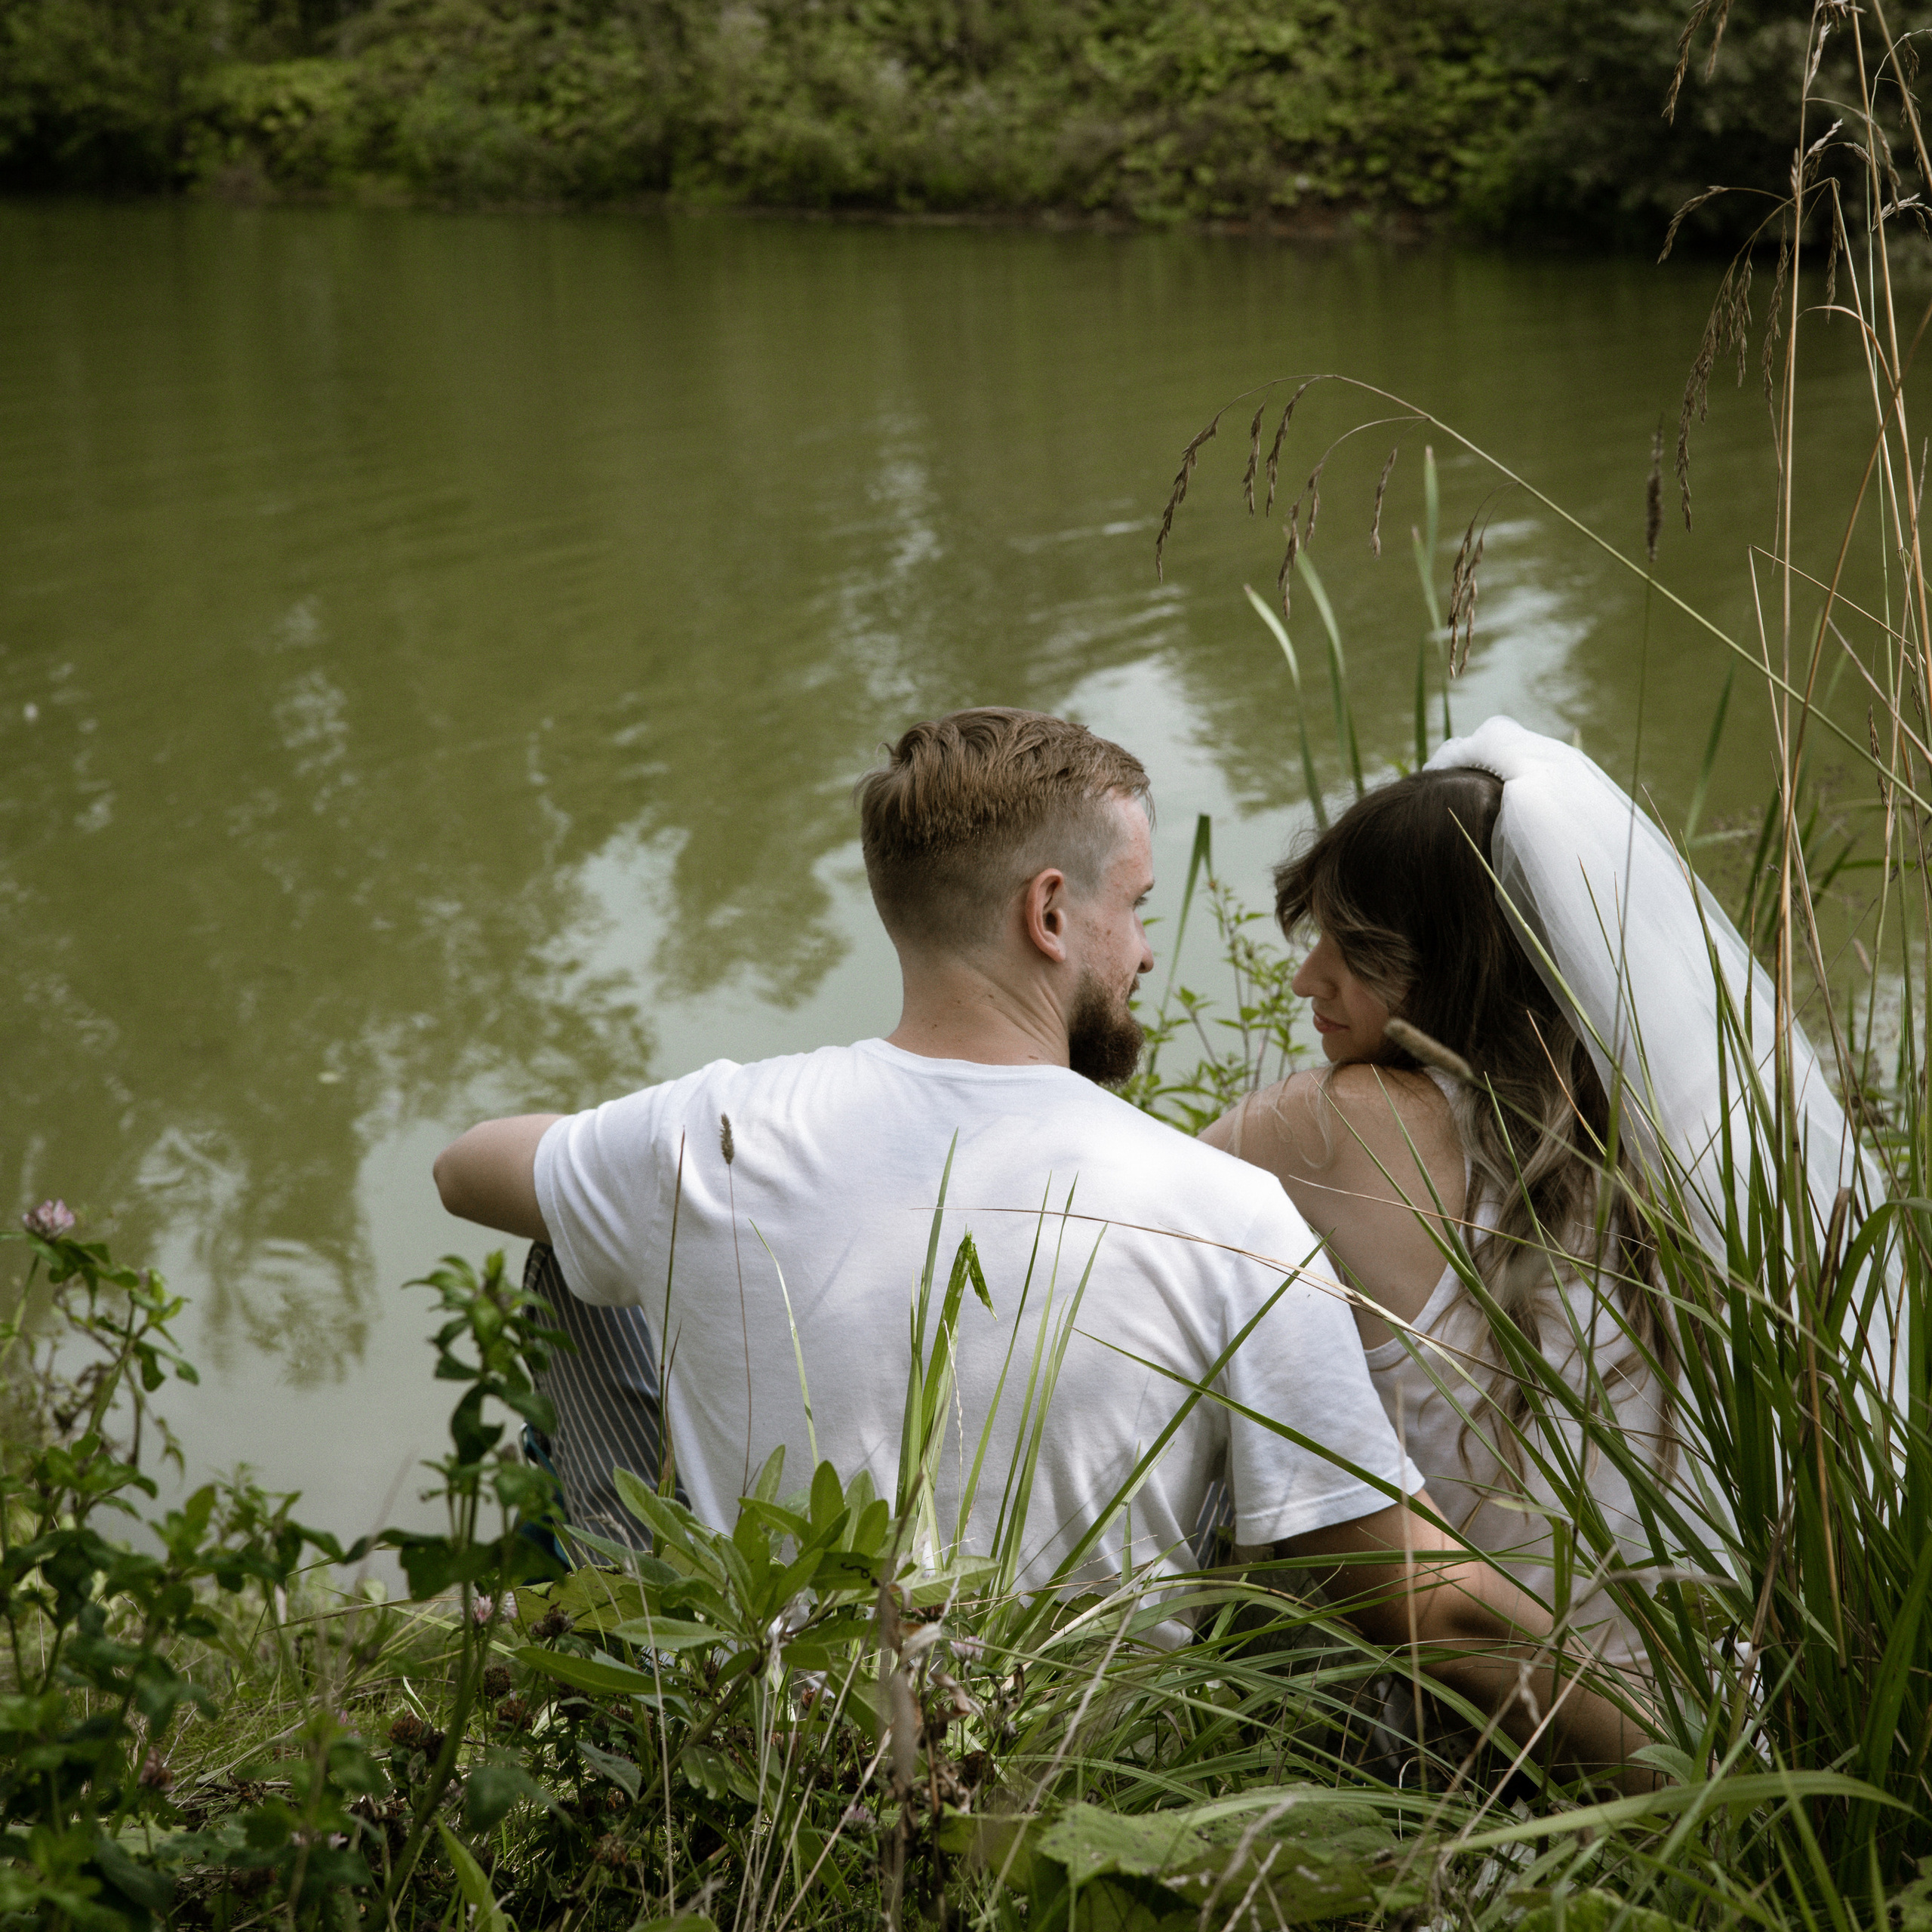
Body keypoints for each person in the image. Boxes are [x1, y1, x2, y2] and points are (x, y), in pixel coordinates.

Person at [435, 706, 1647, 1777]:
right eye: (1137, 908)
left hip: (774, 1779)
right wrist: (1676, 1775)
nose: (1148, 951)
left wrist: (671, 1168)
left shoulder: (710, 1133)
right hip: (1092, 1796)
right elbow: (1436, 1615)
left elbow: (463, 1167)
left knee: (573, 1254)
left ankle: (631, 1649)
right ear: (1052, 913)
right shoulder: (1223, 1213)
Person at [1204, 715, 1861, 1681]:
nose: (1308, 978)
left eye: (1356, 950)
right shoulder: (1672, 1140)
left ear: (1459, 962)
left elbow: (1117, 1202)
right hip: (1724, 1684)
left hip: (1512, 1715)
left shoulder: (1337, 1124)